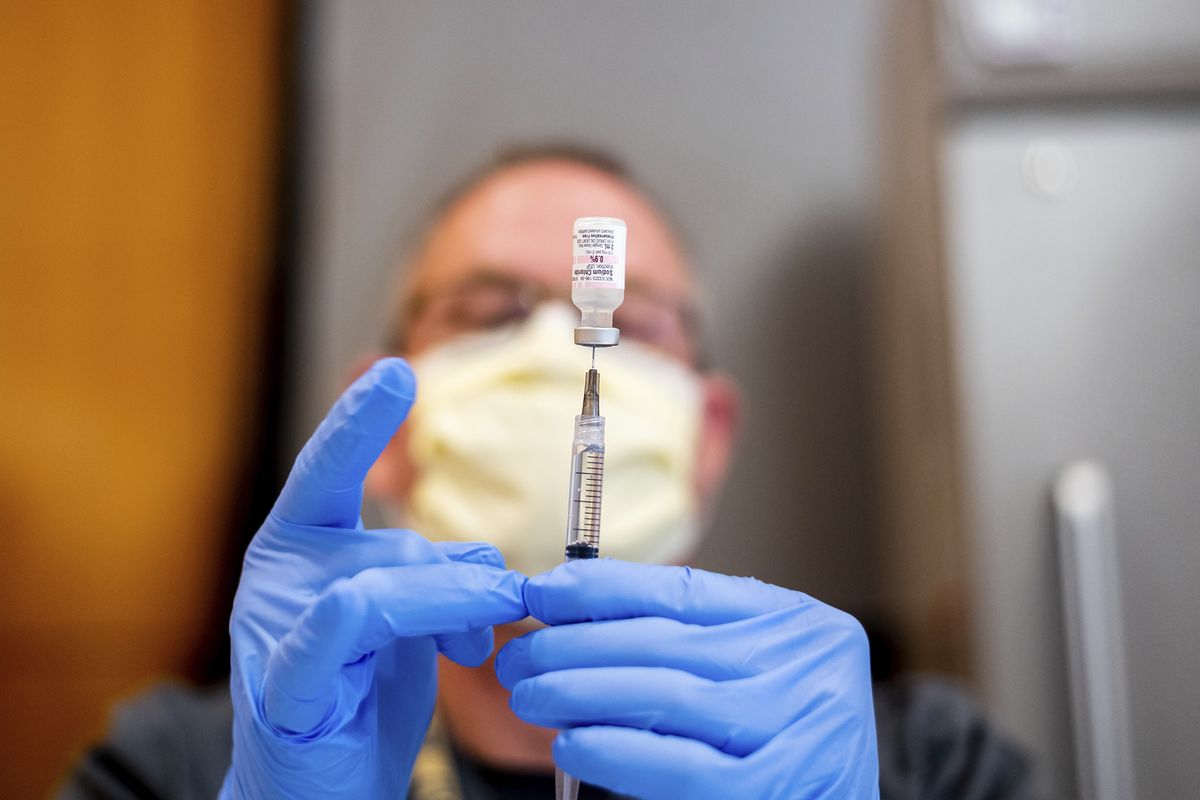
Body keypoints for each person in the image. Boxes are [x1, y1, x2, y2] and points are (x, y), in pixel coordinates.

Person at [59, 146, 1035, 800]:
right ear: (385, 421)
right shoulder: (186, 766)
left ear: (708, 435)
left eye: (627, 320)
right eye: (487, 314)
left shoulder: (916, 762)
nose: (551, 350)